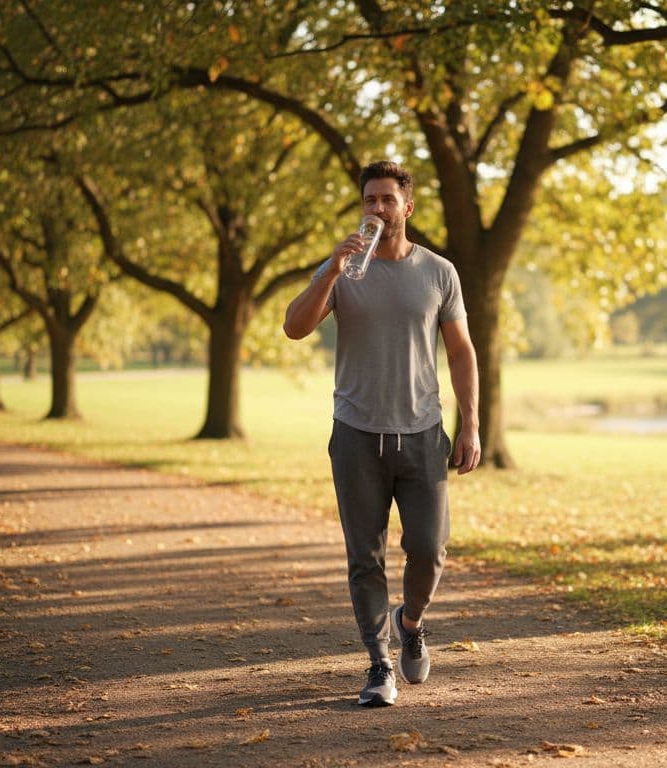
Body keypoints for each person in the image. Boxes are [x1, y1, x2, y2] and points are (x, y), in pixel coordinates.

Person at [283, 160, 481, 707]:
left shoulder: (439, 272)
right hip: (356, 434)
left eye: (387, 200)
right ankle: (379, 663)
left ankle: (410, 621)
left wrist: (471, 423)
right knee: (363, 558)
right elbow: (294, 327)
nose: (377, 209)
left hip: (421, 432)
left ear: (406, 208)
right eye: (369, 200)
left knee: (429, 548)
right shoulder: (343, 270)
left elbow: (461, 350)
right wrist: (330, 269)